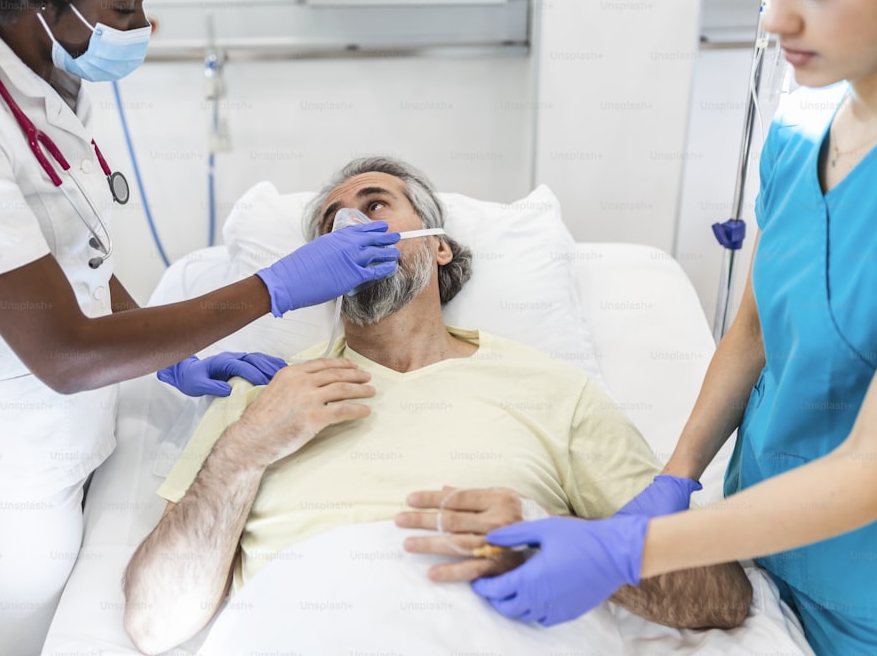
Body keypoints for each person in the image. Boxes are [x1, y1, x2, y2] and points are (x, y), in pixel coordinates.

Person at [0, 0, 400, 653]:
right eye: (125, 8)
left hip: (73, 423)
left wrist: (169, 357)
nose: (146, 23)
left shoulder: (51, 75)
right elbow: (64, 352)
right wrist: (273, 287)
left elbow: (78, 262)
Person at [121, 157, 753, 655]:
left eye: (375, 206)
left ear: (439, 246)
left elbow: (720, 595)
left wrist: (551, 538)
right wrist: (246, 448)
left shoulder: (554, 390)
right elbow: (153, 624)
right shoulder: (263, 399)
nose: (349, 229)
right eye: (329, 228)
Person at [470, 0, 877, 653]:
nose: (775, 19)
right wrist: (678, 474)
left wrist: (626, 549)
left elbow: (867, 467)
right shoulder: (802, 128)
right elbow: (752, 328)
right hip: (757, 536)